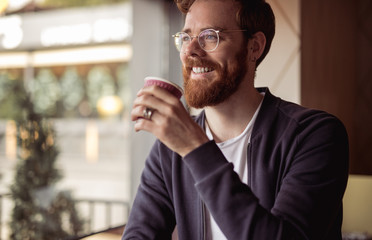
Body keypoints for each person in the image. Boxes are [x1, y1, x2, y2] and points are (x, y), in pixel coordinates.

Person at [123, 0, 349, 239]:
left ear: (254, 47)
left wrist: (194, 147)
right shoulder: (169, 150)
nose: (189, 51)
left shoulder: (315, 135)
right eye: (186, 37)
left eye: (210, 36)